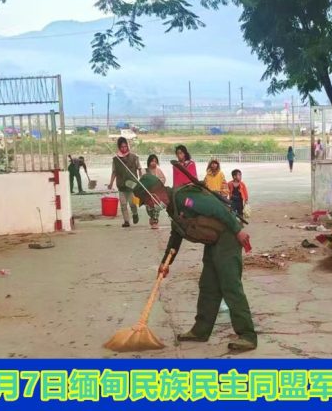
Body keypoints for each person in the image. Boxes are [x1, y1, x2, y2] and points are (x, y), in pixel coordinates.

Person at [135, 172, 257, 352]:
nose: (150, 206)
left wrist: (238, 230)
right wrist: (165, 263)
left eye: (148, 201)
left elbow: (217, 209)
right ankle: (201, 330)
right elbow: (176, 235)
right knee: (208, 286)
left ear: (153, 194)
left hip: (228, 237)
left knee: (230, 286)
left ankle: (247, 336)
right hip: (214, 242)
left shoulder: (184, 198)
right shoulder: (173, 207)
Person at [107, 137, 141, 228]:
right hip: (121, 185)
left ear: (127, 146)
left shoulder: (134, 157)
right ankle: (126, 221)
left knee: (132, 203)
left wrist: (141, 179)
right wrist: (111, 183)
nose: (124, 148)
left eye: (125, 146)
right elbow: (114, 172)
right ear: (119, 147)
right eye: (122, 147)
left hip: (132, 184)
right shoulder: (116, 159)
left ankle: (135, 213)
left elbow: (139, 168)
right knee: (123, 204)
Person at [144, 154, 167, 229]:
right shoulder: (145, 171)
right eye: (152, 161)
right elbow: (142, 181)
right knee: (149, 209)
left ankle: (155, 221)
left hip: (157, 193)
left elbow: (163, 179)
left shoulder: (158, 170)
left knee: (156, 207)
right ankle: (151, 217)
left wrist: (158, 184)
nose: (153, 163)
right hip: (148, 193)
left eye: (155, 161)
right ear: (149, 162)